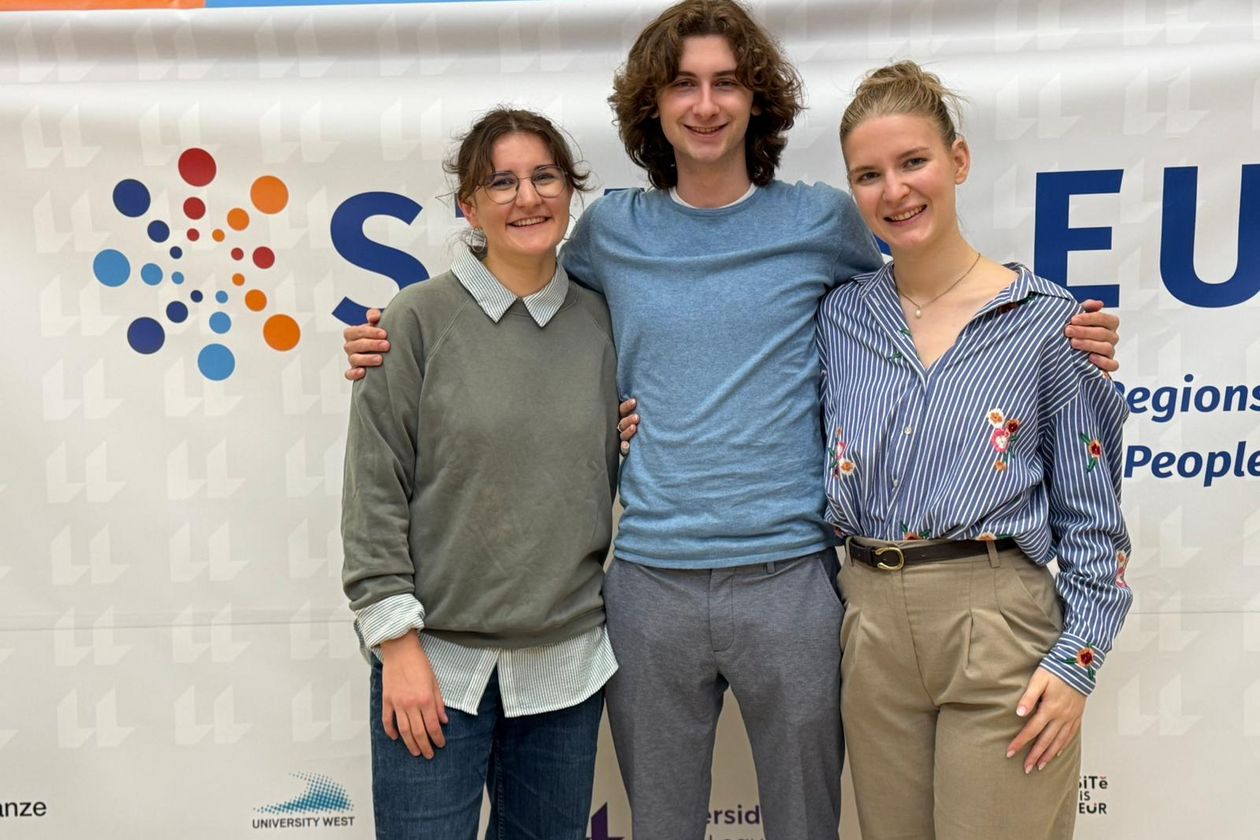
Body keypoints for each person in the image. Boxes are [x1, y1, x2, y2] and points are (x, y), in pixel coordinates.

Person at [341, 3, 1122, 837]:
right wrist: (395, 338)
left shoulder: (823, 222)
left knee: (805, 823)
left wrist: (1055, 328)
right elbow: (520, 289)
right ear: (655, 105)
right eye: (683, 84)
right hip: (647, 586)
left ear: (758, 100)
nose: (705, 104)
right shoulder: (610, 230)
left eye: (725, 82)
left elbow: (922, 293)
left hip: (792, 583)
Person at [817, 61, 1133, 840]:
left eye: (913, 162)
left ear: (957, 162)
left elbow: (1095, 521)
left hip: (998, 621)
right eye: (869, 174)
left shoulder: (1046, 321)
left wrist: (1078, 662)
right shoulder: (838, 318)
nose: (895, 190)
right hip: (870, 625)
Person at [340, 108, 620, 840]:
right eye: (501, 182)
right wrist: (396, 648)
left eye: (544, 176)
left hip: (566, 670)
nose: (526, 197)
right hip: (434, 668)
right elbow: (374, 493)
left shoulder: (606, 325)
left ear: (570, 192)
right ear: (469, 205)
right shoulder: (413, 321)